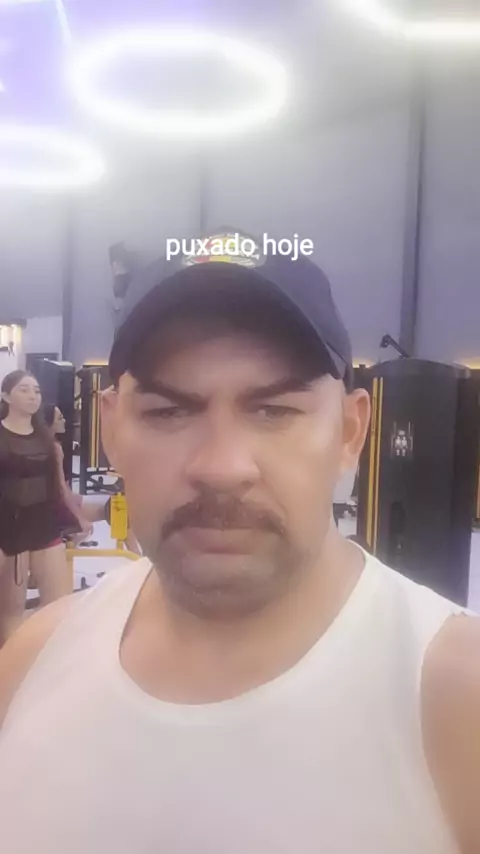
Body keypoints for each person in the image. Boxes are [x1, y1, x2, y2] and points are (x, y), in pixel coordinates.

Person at [0, 234, 479, 854]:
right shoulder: (35, 659)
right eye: (168, 412)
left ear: (350, 432)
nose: (222, 467)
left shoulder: (455, 700)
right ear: (112, 429)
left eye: (275, 410)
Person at [0, 373, 74, 645]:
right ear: (6, 396)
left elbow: (57, 488)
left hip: (44, 525)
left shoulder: (45, 438)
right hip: (8, 530)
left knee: (61, 604)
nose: (33, 396)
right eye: (24, 390)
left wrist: (74, 520)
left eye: (37, 391)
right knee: (12, 611)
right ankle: (11, 665)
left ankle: (41, 656)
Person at [42, 404, 94, 544]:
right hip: (56, 508)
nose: (64, 420)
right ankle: (137, 554)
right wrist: (81, 519)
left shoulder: (39, 445)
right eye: (60, 418)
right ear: (48, 424)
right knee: (114, 509)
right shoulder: (54, 448)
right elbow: (62, 488)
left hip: (49, 506)